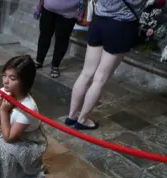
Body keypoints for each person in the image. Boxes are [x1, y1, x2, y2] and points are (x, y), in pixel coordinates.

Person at [66, 0, 161, 130]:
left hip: (98, 22)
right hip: (121, 26)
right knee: (100, 79)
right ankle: (82, 120)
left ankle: (72, 116)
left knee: (86, 73)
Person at [35, 0, 80, 78]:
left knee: (62, 40)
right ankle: (39, 61)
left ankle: (55, 66)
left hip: (69, 12)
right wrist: (39, 7)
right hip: (48, 8)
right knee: (44, 35)